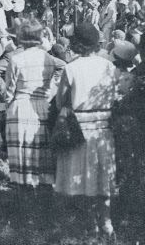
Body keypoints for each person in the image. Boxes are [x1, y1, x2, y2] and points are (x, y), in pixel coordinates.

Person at [54, 23, 119, 239]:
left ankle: (92, 224)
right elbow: (115, 94)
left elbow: (60, 101)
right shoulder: (109, 66)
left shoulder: (71, 68)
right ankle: (107, 223)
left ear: (76, 43)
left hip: (80, 129)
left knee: (84, 179)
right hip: (104, 127)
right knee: (102, 178)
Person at [5, 18, 65, 220]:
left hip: (20, 108)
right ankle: (46, 211)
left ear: (21, 37)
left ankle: (25, 214)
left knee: (22, 161)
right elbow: (62, 67)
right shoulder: (48, 58)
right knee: (42, 160)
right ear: (40, 36)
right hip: (42, 108)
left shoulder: (16, 59)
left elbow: (9, 92)